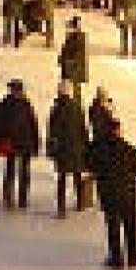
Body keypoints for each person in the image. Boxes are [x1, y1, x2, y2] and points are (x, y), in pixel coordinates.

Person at [86, 119, 136, 269]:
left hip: (108, 193)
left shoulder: (97, 148)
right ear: (118, 131)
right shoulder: (128, 148)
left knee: (113, 225)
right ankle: (133, 257)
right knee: (130, 225)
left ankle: (116, 259)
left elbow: (89, 165)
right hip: (127, 192)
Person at [46, 80, 89, 219]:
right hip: (77, 147)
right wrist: (86, 146)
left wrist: (51, 148)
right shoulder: (77, 107)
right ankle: (80, 202)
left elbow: (52, 130)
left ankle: (61, 207)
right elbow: (84, 128)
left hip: (63, 149)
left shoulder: (57, 108)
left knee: (62, 178)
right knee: (77, 175)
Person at [0, 79, 40, 210]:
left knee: (23, 171)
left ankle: (22, 199)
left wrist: (35, 142)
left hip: (25, 142)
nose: (16, 92)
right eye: (14, 89)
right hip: (12, 142)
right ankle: (9, 197)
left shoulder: (25, 103)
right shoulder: (7, 103)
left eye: (16, 89)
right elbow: (0, 123)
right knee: (11, 170)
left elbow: (33, 123)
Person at [58, 17, 88, 105]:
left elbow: (77, 55)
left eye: (70, 26)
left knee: (76, 90)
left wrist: (66, 61)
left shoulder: (78, 38)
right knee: (72, 90)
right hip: (72, 68)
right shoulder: (73, 37)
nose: (68, 29)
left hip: (75, 69)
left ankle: (77, 108)